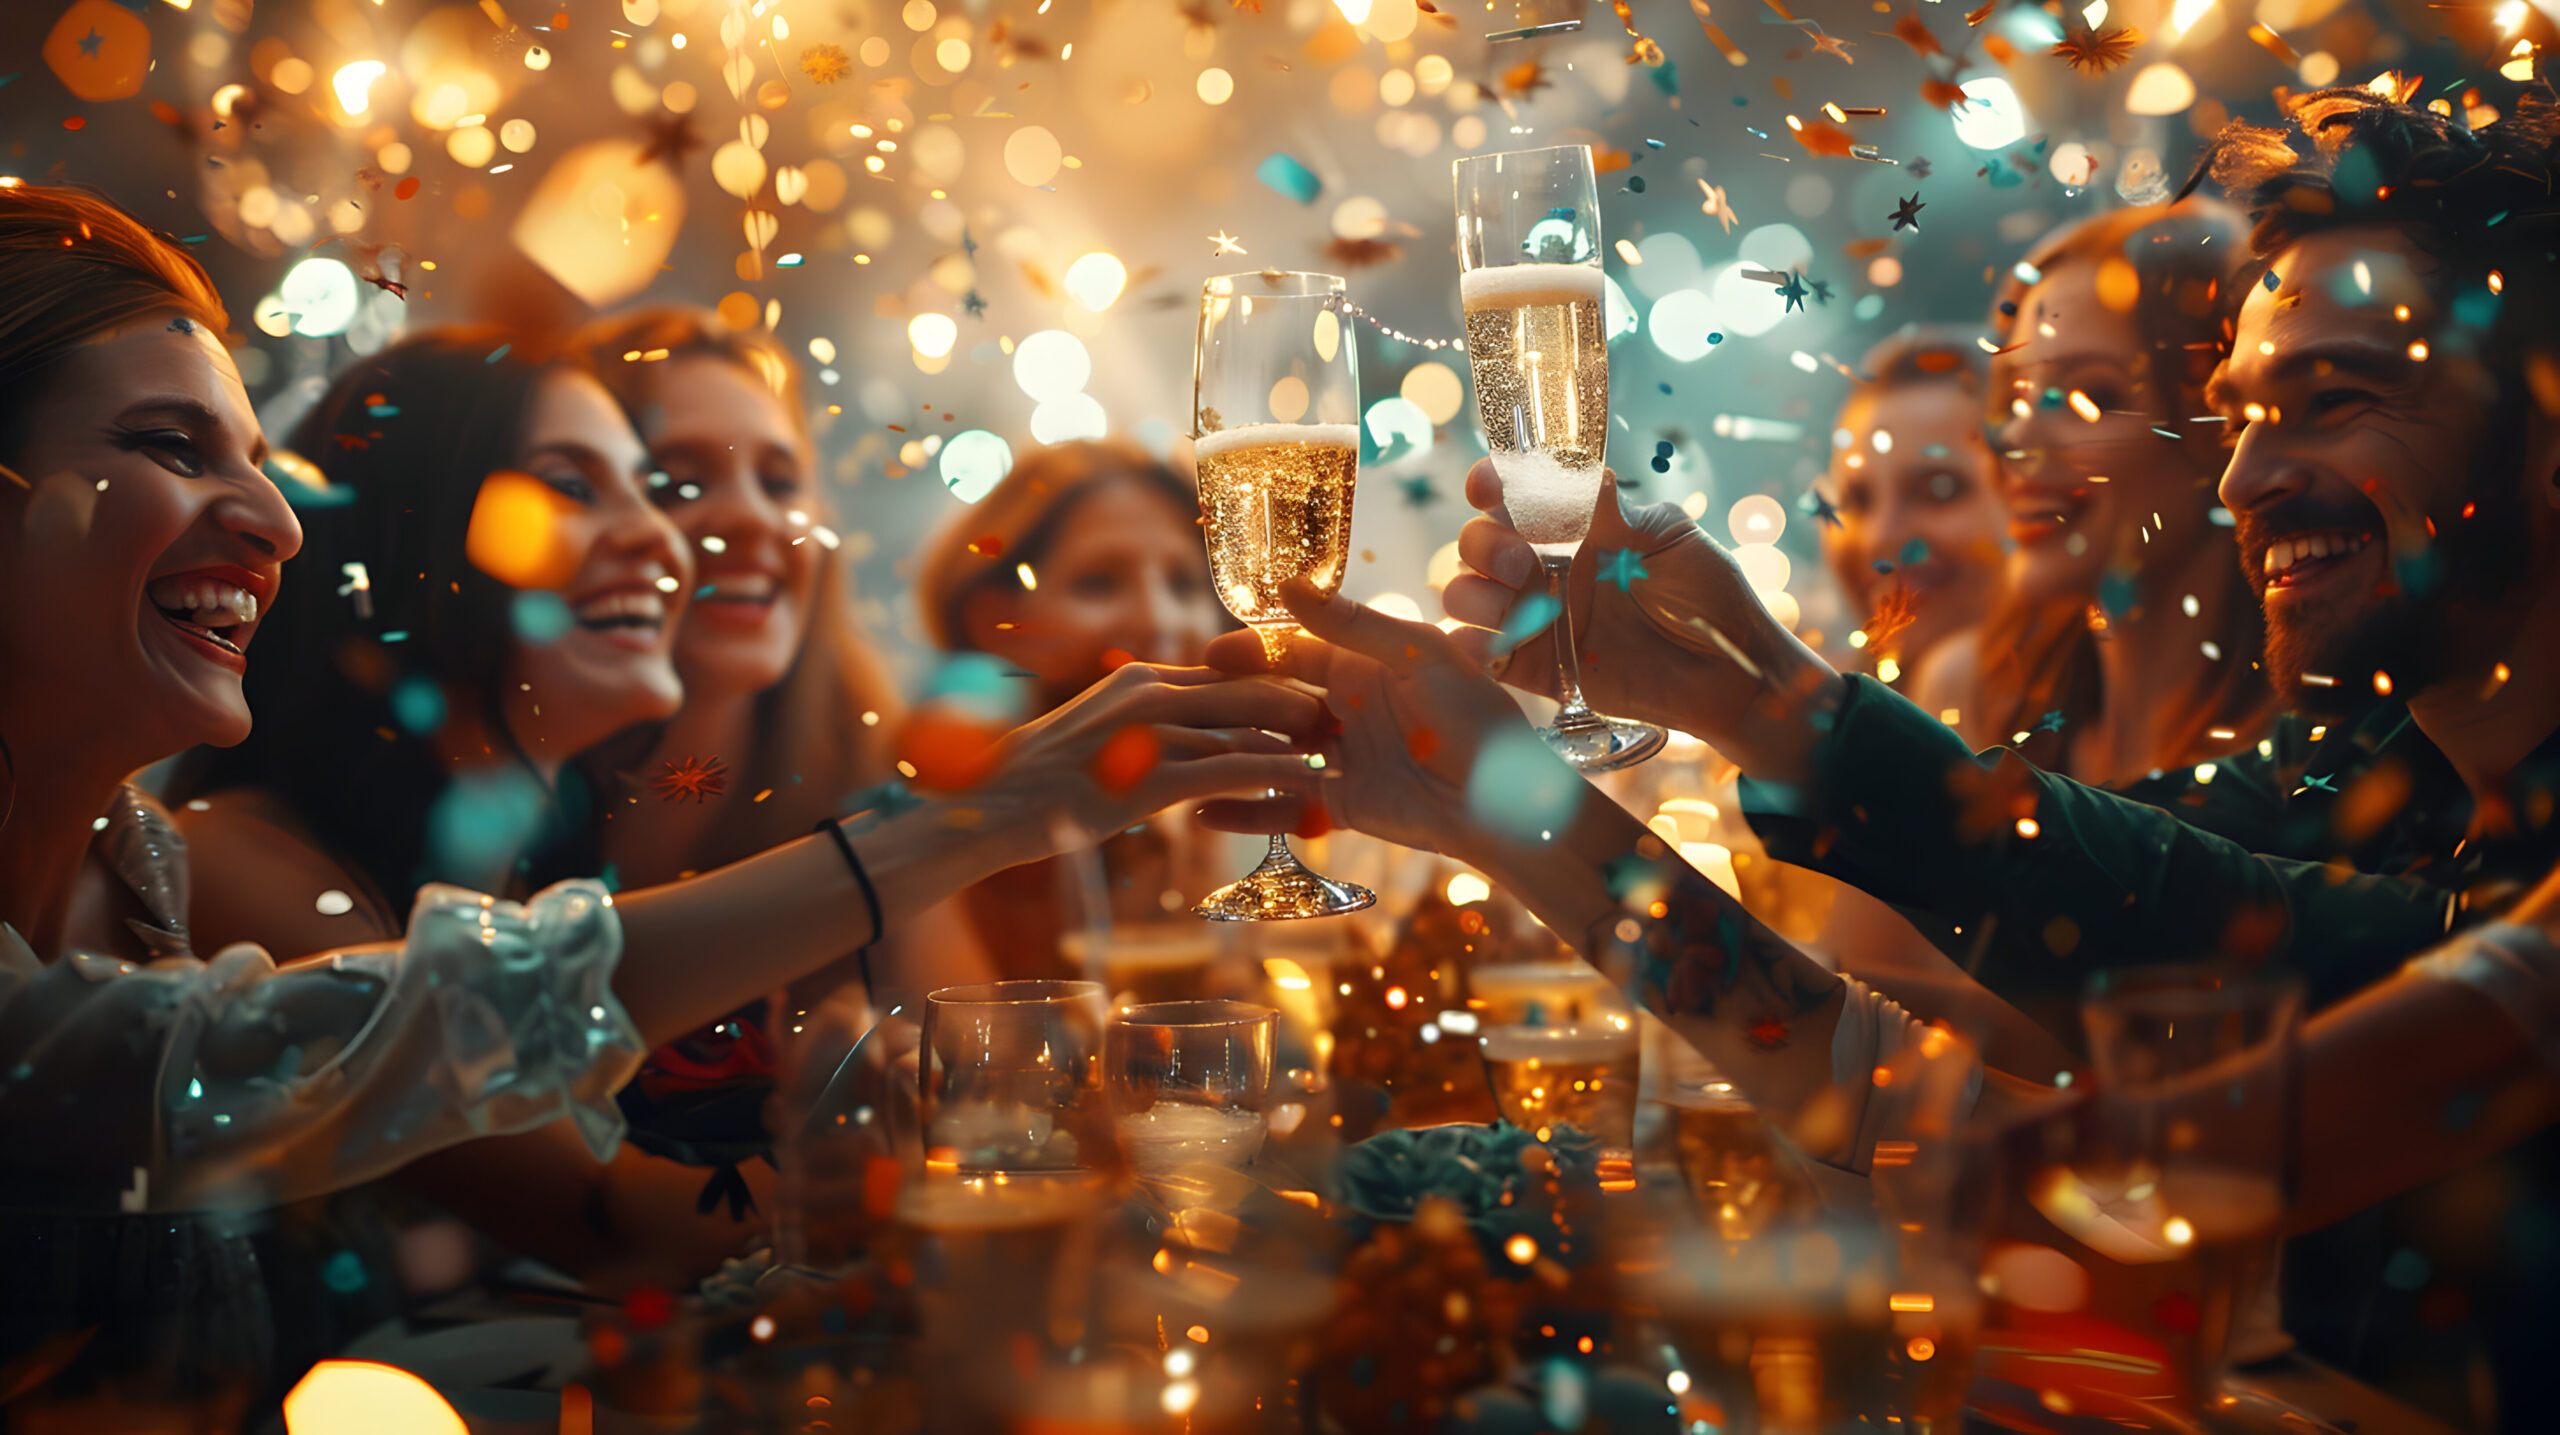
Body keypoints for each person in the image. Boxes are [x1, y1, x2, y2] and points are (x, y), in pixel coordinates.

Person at [0, 183, 1320, 1412]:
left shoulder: (158, 862)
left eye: (671, 486)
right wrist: (964, 834)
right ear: (412, 539)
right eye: (597, 486)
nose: (677, 538)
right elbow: (532, 1132)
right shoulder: (257, 864)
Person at [1441, 81, 2560, 1417]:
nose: (2242, 477)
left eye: (2335, 397)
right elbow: (2054, 922)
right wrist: (1492, 801)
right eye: (2241, 409)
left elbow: (2232, 951)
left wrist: (1768, 705)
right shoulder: (2359, 757)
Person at [1934, 202, 2274, 793]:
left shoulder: (2303, 759)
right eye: (2015, 398)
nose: (2016, 438)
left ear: (2223, 419)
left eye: (2090, 394)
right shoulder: (1968, 705)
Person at [911, 439, 1232, 978]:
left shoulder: (1225, 804)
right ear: (998, 622)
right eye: (1100, 582)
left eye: (1185, 583)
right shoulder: (941, 824)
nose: (1160, 621)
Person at [1818, 324, 2007, 692]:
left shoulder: (2108, 740)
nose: (1880, 535)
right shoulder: (1803, 729)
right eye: (1857, 499)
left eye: (1938, 489)